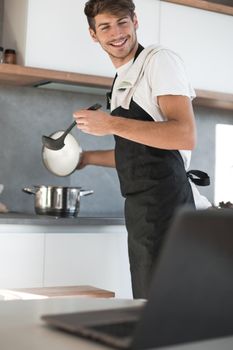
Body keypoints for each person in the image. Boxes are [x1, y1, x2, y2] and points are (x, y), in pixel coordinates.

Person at [73, 0, 211, 299]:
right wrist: (85, 159)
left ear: (135, 21)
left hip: (168, 205)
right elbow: (139, 153)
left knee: (164, 307)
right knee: (148, 303)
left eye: (122, 22)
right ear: (93, 35)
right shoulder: (122, 78)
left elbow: (184, 135)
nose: (116, 33)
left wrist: (110, 124)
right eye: (105, 26)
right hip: (142, 210)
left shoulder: (159, 61)